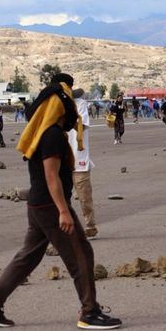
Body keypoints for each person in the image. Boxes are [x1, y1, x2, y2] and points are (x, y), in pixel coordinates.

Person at [0, 73, 121, 330]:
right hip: (50, 206)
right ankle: (90, 312)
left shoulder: (44, 133)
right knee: (81, 254)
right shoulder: (51, 135)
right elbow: (51, 177)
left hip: (38, 205)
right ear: (61, 108)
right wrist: (63, 210)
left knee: (28, 256)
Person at [68, 88, 98, 238]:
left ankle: (90, 225)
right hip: (62, 160)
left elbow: (83, 124)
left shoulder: (80, 104)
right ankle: (67, 228)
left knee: (84, 197)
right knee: (62, 198)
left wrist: (68, 119)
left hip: (79, 159)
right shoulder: (57, 106)